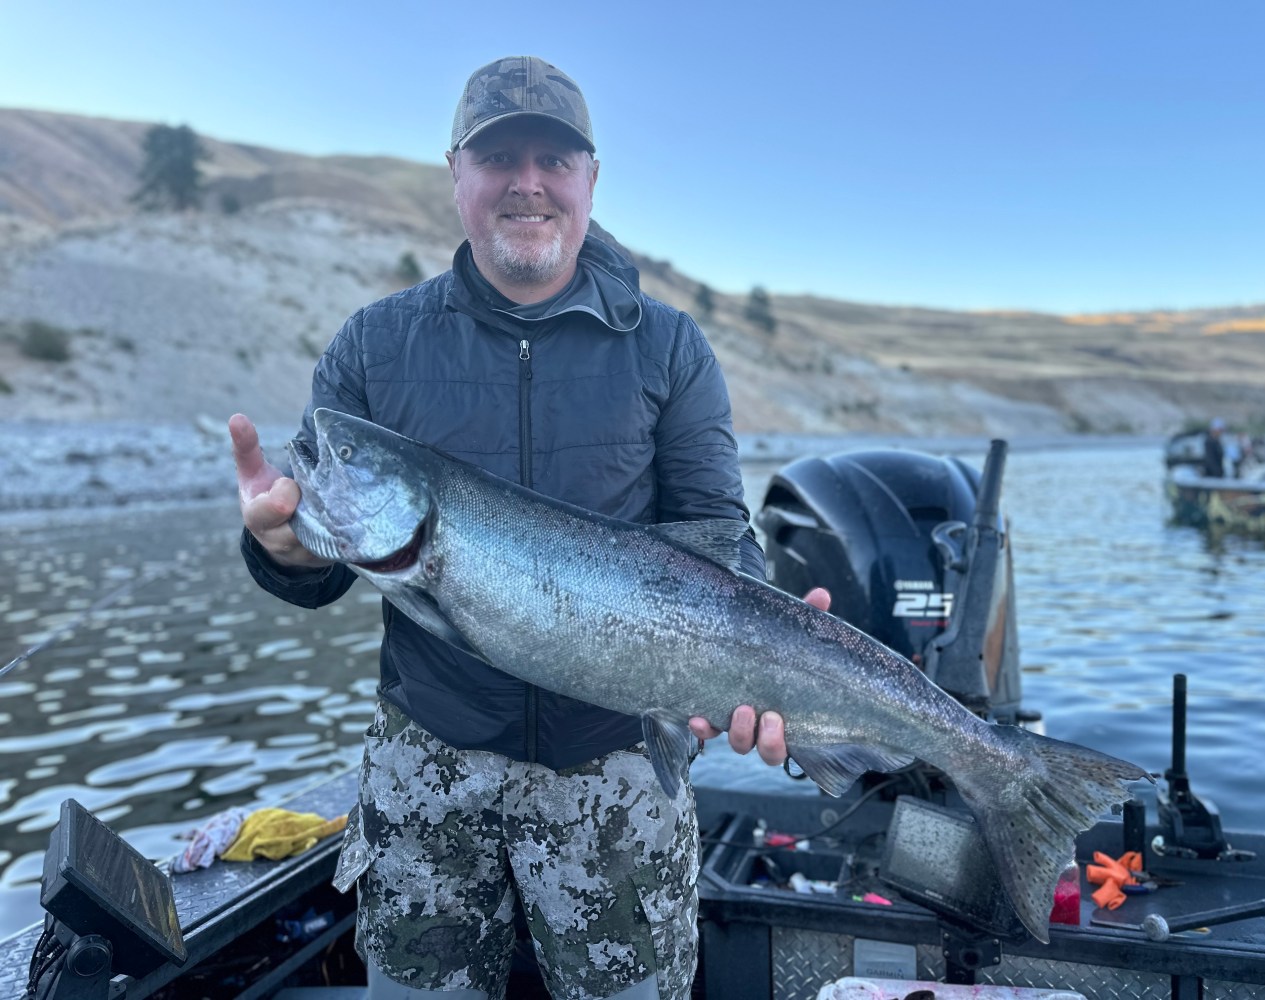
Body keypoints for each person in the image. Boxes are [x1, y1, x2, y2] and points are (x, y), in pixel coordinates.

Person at [229, 55, 827, 1000]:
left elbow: (715, 528)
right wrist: (280, 549)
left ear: (591, 178)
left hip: (620, 763)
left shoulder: (668, 346)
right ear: (455, 175)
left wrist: (770, 638)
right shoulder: (373, 347)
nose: (528, 182)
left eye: (555, 157)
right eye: (498, 155)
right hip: (426, 764)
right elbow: (324, 560)